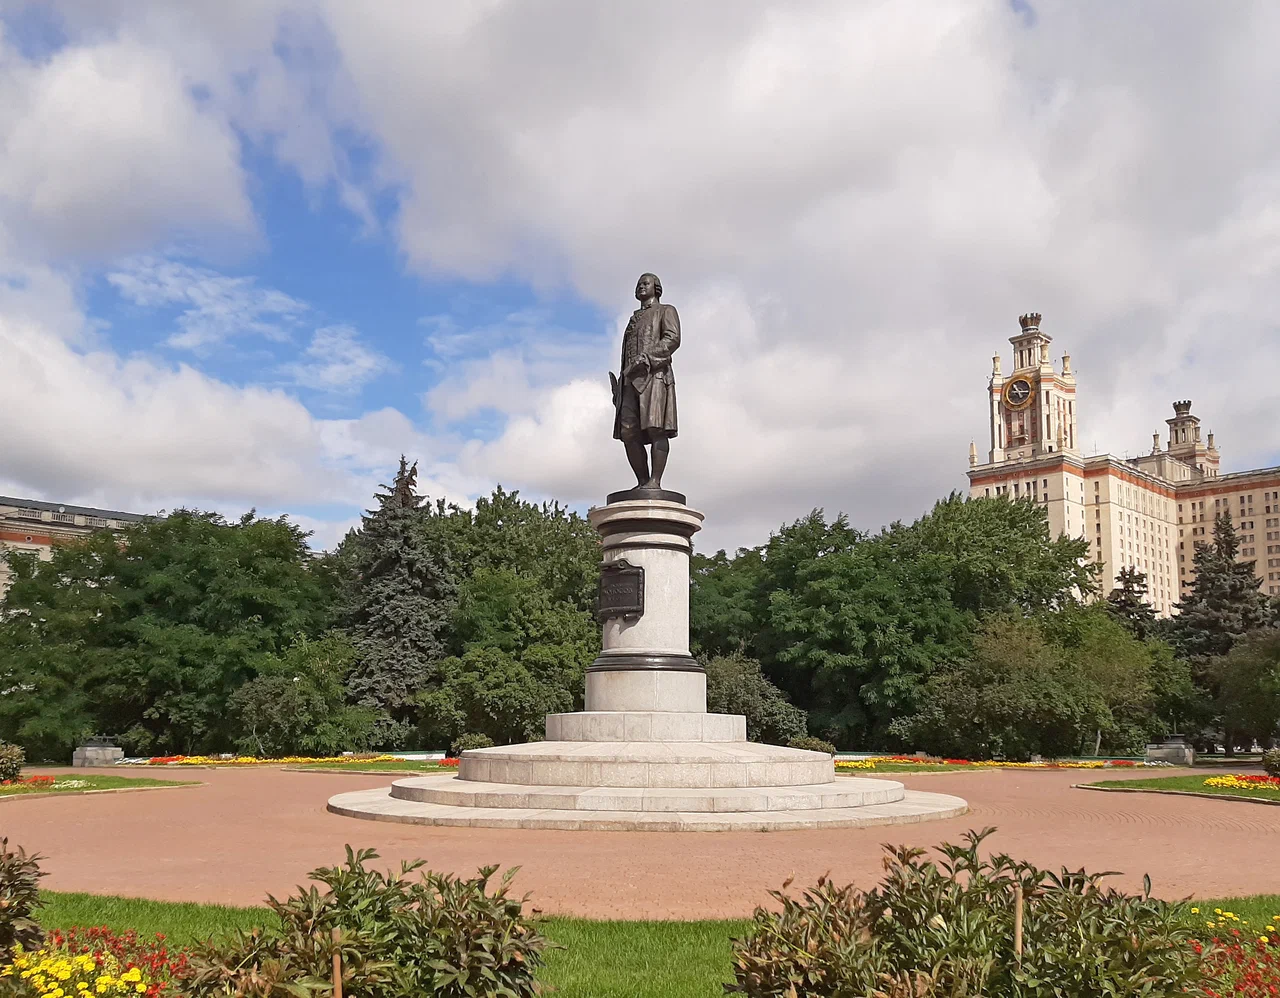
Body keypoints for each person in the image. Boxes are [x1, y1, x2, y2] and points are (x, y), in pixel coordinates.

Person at [612, 272, 680, 490]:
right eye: (638, 284)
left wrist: (647, 358)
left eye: (646, 283)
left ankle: (655, 482)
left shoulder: (665, 311)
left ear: (656, 288)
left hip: (654, 376)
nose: (641, 286)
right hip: (629, 381)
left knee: (655, 427)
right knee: (628, 432)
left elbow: (672, 338)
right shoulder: (633, 320)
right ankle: (642, 481)